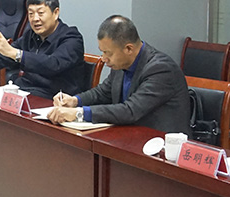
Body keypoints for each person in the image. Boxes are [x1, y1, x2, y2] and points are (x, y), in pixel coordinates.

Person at [49, 15, 191, 132]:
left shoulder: (160, 69)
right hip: (130, 135)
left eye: (108, 53)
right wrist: (74, 101)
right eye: (102, 52)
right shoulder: (121, 64)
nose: (104, 59)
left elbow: (130, 110)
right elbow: (102, 92)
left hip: (160, 145)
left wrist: (79, 113)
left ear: (128, 49)